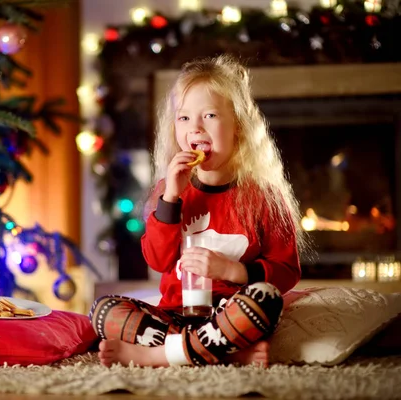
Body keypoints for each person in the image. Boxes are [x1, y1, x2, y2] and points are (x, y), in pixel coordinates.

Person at [89, 55, 309, 368]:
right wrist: (172, 196)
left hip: (231, 314)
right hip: (175, 314)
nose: (196, 128)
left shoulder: (264, 197)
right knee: (103, 310)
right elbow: (157, 260)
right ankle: (226, 354)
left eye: (209, 115)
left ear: (238, 127)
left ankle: (159, 356)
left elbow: (287, 271)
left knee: (266, 299)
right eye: (184, 118)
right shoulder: (170, 190)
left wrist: (236, 272)